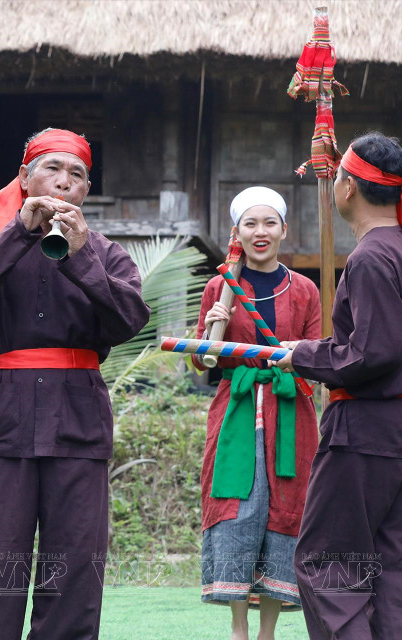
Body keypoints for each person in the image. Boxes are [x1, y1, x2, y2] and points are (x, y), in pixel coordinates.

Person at [0, 128, 150, 639]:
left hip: (77, 419)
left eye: (76, 175)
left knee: (74, 568)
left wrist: (81, 256)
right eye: (51, 169)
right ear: (24, 177)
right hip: (2, 421)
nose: (63, 183)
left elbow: (129, 321)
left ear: (86, 191)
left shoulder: (107, 253)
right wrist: (19, 231)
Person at [275, 132, 402, 639]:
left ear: (347, 188)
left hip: (365, 431)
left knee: (331, 562)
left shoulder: (373, 258)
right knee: (390, 565)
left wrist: (303, 355)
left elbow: (373, 352)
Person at [193, 187, 321, 639]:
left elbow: (315, 351)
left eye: (269, 223)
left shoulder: (304, 289)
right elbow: (203, 360)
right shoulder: (221, 284)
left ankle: (268, 630)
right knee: (239, 507)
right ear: (238, 232)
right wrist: (214, 326)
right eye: (251, 223)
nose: (260, 232)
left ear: (284, 229)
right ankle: (239, 627)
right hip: (237, 406)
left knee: (285, 508)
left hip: (291, 409)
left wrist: (298, 355)